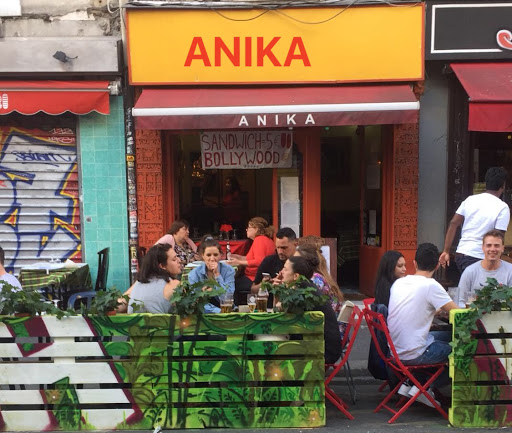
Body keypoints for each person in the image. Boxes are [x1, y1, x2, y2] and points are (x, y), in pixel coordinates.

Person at [388, 243, 457, 406]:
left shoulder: (399, 283)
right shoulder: (431, 285)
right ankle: (424, 387)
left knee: (448, 335)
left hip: (395, 351)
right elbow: (458, 314)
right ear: (437, 266)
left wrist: (434, 310)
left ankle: (412, 383)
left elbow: (417, 308)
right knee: (464, 349)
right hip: (413, 353)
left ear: (414, 263)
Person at [440, 167, 510, 274]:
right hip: (481, 257)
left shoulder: (470, 200)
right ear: (503, 185)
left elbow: (453, 223)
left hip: (461, 254)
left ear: (486, 183)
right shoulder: (502, 207)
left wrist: (446, 250)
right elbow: (498, 236)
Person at [279, 255, 342, 364]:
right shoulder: (307, 287)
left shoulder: (301, 294)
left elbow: (283, 317)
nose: (281, 272)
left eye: (285, 269)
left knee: (271, 343)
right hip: (321, 344)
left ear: (296, 276)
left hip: (324, 350)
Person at [227, 217, 275, 304]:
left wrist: (238, 262)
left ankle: (233, 306)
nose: (246, 230)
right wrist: (238, 257)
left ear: (256, 229)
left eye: (249, 227)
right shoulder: (267, 239)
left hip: (254, 279)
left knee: (230, 284)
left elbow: (259, 261)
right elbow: (252, 258)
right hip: (260, 277)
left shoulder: (259, 240)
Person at [125, 243, 182, 314]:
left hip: (134, 321)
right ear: (162, 266)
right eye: (174, 259)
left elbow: (121, 302)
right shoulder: (174, 285)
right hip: (160, 321)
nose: (179, 261)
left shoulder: (138, 283)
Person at [458, 230, 512, 302]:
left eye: (496, 245)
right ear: (482, 248)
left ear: (502, 248)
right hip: (475, 309)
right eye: (489, 245)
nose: (492, 249)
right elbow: (460, 300)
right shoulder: (470, 271)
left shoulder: (510, 271)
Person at [188, 237, 235, 313]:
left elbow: (227, 298)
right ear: (203, 256)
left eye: (215, 255)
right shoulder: (194, 274)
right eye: (208, 255)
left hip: (227, 309)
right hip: (205, 312)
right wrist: (218, 311)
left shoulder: (228, 270)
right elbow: (196, 301)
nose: (212, 259)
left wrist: (217, 275)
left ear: (220, 255)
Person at [294, 243, 344, 313]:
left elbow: (302, 305)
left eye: (296, 260)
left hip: (327, 318)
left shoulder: (316, 279)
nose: (292, 262)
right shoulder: (315, 276)